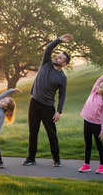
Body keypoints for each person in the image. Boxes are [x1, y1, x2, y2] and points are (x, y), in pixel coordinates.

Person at [23, 34, 73, 167]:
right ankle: (31, 157)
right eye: (58, 55)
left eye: (60, 58)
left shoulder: (62, 78)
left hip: (47, 107)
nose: (57, 57)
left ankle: (56, 159)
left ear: (64, 64)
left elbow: (62, 95)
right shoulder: (46, 63)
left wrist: (59, 111)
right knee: (32, 133)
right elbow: (48, 49)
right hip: (34, 103)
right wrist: (59, 40)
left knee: (51, 134)